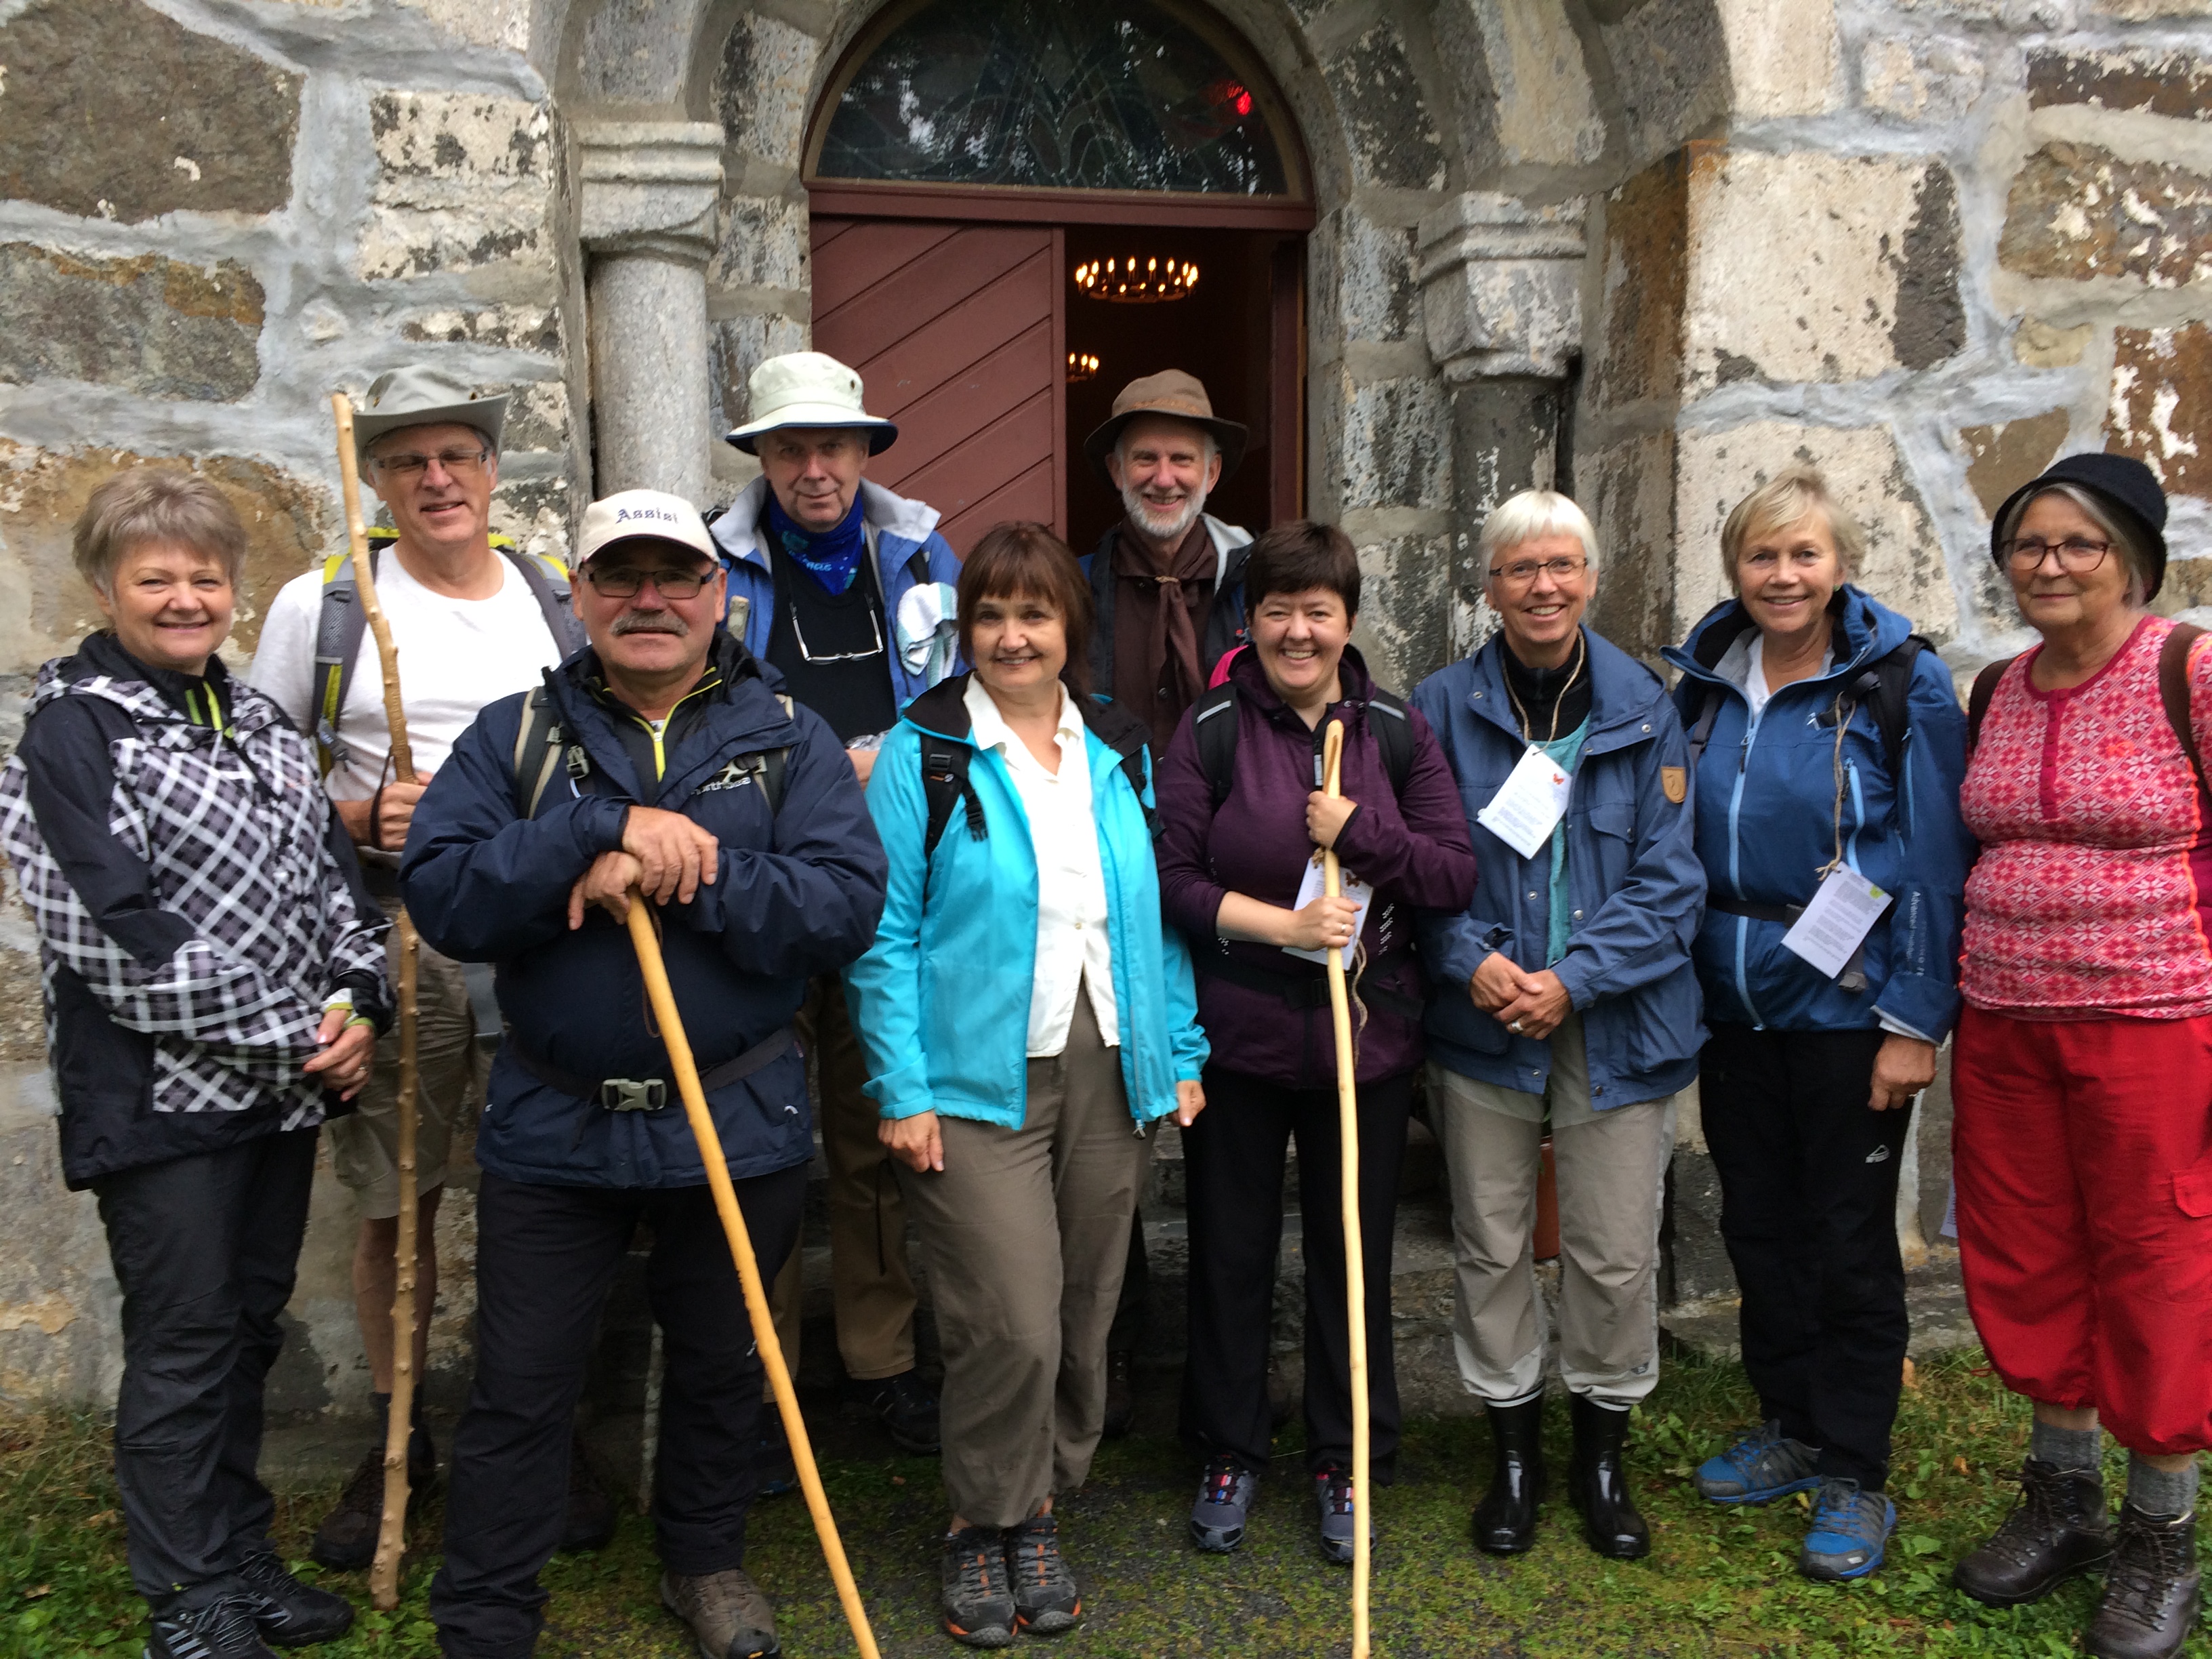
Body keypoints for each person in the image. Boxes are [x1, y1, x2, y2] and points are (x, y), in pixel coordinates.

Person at [404, 490, 888, 1659]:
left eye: (677, 576)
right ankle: (486, 1611)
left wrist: (690, 867)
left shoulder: (786, 736)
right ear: (581, 598)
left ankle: (703, 1562)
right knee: (521, 1381)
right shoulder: (515, 735)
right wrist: (589, 834)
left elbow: (843, 906)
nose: (651, 601)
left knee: (727, 1366)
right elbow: (445, 891)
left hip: (736, 1112)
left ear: (718, 595)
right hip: (553, 1124)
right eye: (621, 579)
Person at [0, 470, 388, 1659]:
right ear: (106, 585)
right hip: (160, 1102)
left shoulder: (262, 724)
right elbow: (112, 932)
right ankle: (188, 1597)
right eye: (155, 577)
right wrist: (297, 1031)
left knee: (249, 1328)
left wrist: (357, 998)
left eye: (204, 577)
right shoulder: (71, 730)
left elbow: (336, 884)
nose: (184, 598)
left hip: (277, 1102)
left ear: (233, 589)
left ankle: (238, 1555)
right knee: (183, 1341)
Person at [247, 365, 602, 1566]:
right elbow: (254, 776)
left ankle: (538, 1434)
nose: (437, 481)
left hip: (554, 935)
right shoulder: (331, 608)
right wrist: (355, 819)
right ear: (379, 483)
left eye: (457, 457)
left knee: (546, 1198)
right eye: (408, 463)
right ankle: (398, 1443)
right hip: (405, 935)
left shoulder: (554, 598)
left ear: (494, 471)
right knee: (403, 1201)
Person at [846, 522, 1208, 1646]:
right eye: (991, 616)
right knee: (1008, 1316)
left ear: (1070, 629)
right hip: (972, 1075)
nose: (1012, 636)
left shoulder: (1119, 747)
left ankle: (1038, 1505)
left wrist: (1181, 1052)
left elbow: (1152, 917)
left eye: (1034, 614)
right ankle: (979, 1521)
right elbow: (883, 936)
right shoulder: (927, 753)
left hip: (1109, 1063)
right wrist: (899, 1088)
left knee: (1086, 1306)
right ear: (967, 633)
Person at [1662, 466, 1972, 1583]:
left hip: (1848, 1006)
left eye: (1804, 555)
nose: (1783, 576)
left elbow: (1937, 859)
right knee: (1760, 1223)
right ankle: (1788, 1422)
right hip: (1732, 1002)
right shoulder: (1706, 683)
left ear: (1839, 563)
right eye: (1762, 556)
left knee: (1847, 1236)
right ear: (1734, 568)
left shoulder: (1897, 685)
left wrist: (1914, 1018)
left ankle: (1854, 1464)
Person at [1153, 519, 1476, 1563]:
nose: (1298, 630)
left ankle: (1348, 1455)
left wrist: (1359, 831)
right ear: (1250, 620)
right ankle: (1229, 1446)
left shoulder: (1393, 729)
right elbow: (1171, 883)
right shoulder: (1205, 730)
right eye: (1279, 609)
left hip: (1363, 1046)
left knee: (1352, 1252)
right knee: (1231, 1253)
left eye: (1319, 611)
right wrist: (1282, 925)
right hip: (1240, 1038)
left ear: (1348, 620)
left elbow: (1449, 873)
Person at [1410, 489, 1705, 1561]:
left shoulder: (1646, 705)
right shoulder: (1440, 708)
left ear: (1590, 579)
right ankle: (1514, 1454)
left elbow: (1674, 884)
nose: (1543, 586)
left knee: (1615, 1251)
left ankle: (1601, 1456)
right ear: (1488, 587)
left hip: (1618, 1020)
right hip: (1483, 1012)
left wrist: (1574, 978)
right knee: (1491, 1242)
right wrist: (1474, 961)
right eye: (1520, 569)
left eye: (1562, 567)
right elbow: (1418, 866)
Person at [1947, 454, 2207, 1659]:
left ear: (2132, 557)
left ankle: (2163, 1532)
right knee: (2028, 1249)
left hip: (2155, 1022)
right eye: (2029, 545)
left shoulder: (2186, 671)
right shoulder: (1995, 686)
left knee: (2153, 1260)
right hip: (2004, 1020)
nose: (2047, 566)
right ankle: (2065, 1497)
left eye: (2077, 545)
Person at [712, 349, 962, 1458]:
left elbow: (956, 697)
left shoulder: (917, 555)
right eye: (793, 448)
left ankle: (883, 1358)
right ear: (762, 458)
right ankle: (762, 1384)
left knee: (875, 1138)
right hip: (763, 885)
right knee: (761, 1135)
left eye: (835, 446)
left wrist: (894, 764)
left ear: (865, 452)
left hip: (883, 889)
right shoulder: (716, 565)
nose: (817, 468)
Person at [1078, 368, 1254, 1436]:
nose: (1164, 474)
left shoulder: (1254, 580)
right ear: (1113, 470)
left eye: (1183, 456)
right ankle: (1120, 1363)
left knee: (1227, 1143)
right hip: (1107, 895)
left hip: (1238, 892)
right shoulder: (1073, 582)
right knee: (1110, 1136)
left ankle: (1217, 1386)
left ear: (1214, 470)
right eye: (1143, 455)